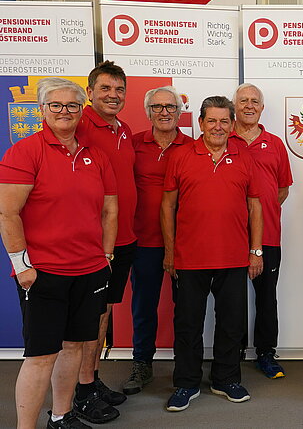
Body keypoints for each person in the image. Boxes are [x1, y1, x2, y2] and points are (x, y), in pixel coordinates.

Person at [0, 77, 118, 429]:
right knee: (41, 356)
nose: (64, 111)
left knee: (74, 347)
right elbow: (7, 213)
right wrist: (22, 265)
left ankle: (61, 417)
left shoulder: (96, 156)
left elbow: (109, 210)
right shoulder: (25, 152)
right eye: (56, 105)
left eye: (72, 105)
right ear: (42, 109)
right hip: (43, 273)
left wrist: (106, 257)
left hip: (89, 271)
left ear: (81, 110)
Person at [162, 96, 263, 412]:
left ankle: (226, 379)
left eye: (224, 121)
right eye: (211, 121)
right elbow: (167, 205)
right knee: (188, 323)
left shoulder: (244, 157)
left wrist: (256, 251)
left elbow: (255, 206)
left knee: (232, 323)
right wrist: (170, 252)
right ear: (201, 123)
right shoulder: (180, 156)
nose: (218, 127)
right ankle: (187, 383)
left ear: (232, 125)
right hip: (189, 257)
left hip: (234, 256)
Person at [121, 86, 193, 395]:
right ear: (148, 111)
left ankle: (185, 367)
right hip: (144, 241)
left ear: (180, 111)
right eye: (157, 107)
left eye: (170, 107)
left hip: (185, 242)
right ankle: (142, 364)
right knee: (143, 306)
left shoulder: (193, 147)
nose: (164, 112)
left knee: (186, 308)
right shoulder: (133, 144)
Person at [75, 60, 136, 420]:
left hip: (123, 238)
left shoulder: (123, 128)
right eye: (105, 88)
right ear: (90, 92)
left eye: (119, 89)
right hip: (93, 244)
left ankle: (92, 378)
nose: (113, 95)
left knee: (104, 313)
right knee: (89, 317)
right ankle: (81, 391)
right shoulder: (79, 124)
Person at [230, 83, 293, 379]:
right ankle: (232, 352)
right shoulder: (223, 138)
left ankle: (266, 353)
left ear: (262, 108)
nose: (249, 106)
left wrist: (260, 210)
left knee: (267, 298)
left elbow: (282, 189)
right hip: (229, 235)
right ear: (234, 106)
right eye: (243, 101)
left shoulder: (275, 144)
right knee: (231, 298)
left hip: (267, 235)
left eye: (254, 101)